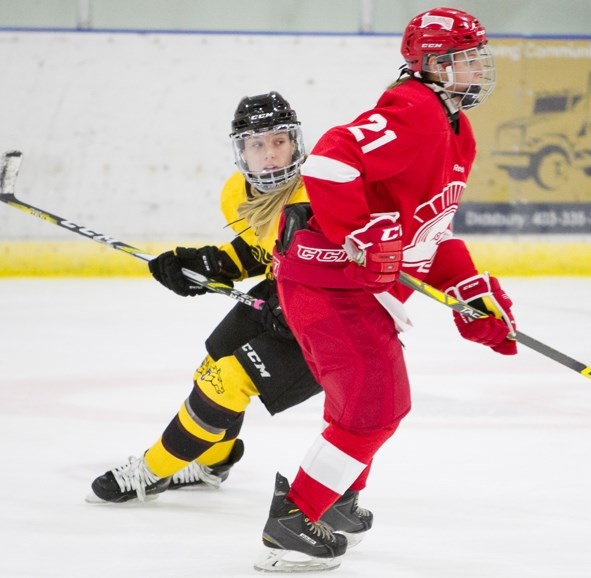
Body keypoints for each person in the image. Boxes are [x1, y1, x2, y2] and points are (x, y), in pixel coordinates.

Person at [256, 7, 517, 573]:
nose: (477, 66)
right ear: (430, 64)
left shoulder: (457, 129)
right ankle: (292, 521)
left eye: (477, 55)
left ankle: (338, 495)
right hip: (328, 287)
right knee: (375, 406)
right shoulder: (414, 110)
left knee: (367, 403)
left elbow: (431, 229)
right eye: (464, 57)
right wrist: (360, 232)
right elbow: (327, 162)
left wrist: (469, 289)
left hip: (361, 293)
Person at [87, 91, 373, 546]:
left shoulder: (322, 191)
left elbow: (359, 260)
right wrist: (207, 264)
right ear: (240, 150)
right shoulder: (235, 194)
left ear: (297, 143)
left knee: (227, 381)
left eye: (279, 141)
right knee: (215, 358)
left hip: (334, 317)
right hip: (283, 294)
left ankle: (154, 470)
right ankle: (213, 462)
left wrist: (310, 298)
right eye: (256, 145)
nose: (269, 153)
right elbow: (259, 251)